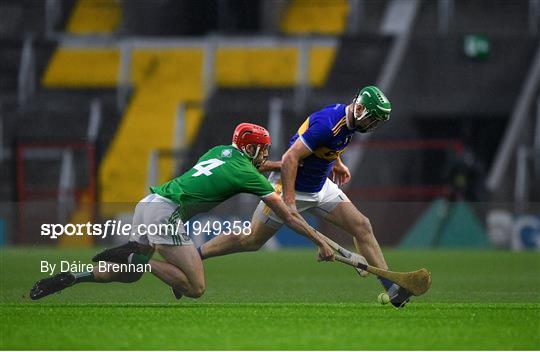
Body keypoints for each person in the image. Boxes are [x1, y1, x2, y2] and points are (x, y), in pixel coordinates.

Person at [29, 123, 335, 300]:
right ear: (252, 149)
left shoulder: (221, 151)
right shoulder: (246, 173)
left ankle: (74, 276)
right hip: (167, 214)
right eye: (264, 150)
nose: (266, 154)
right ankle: (141, 261)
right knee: (195, 287)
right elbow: (289, 214)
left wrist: (283, 165)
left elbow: (249, 168)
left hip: (148, 204)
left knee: (128, 278)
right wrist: (320, 240)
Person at [199, 86, 413, 307]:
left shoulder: (347, 120)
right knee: (251, 240)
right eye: (372, 119)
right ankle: (197, 254)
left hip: (320, 187)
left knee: (362, 226)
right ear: (359, 109)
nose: (372, 125)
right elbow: (290, 157)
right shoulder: (328, 125)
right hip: (289, 187)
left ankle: (392, 286)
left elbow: (331, 144)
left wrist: (337, 163)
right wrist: (290, 201)